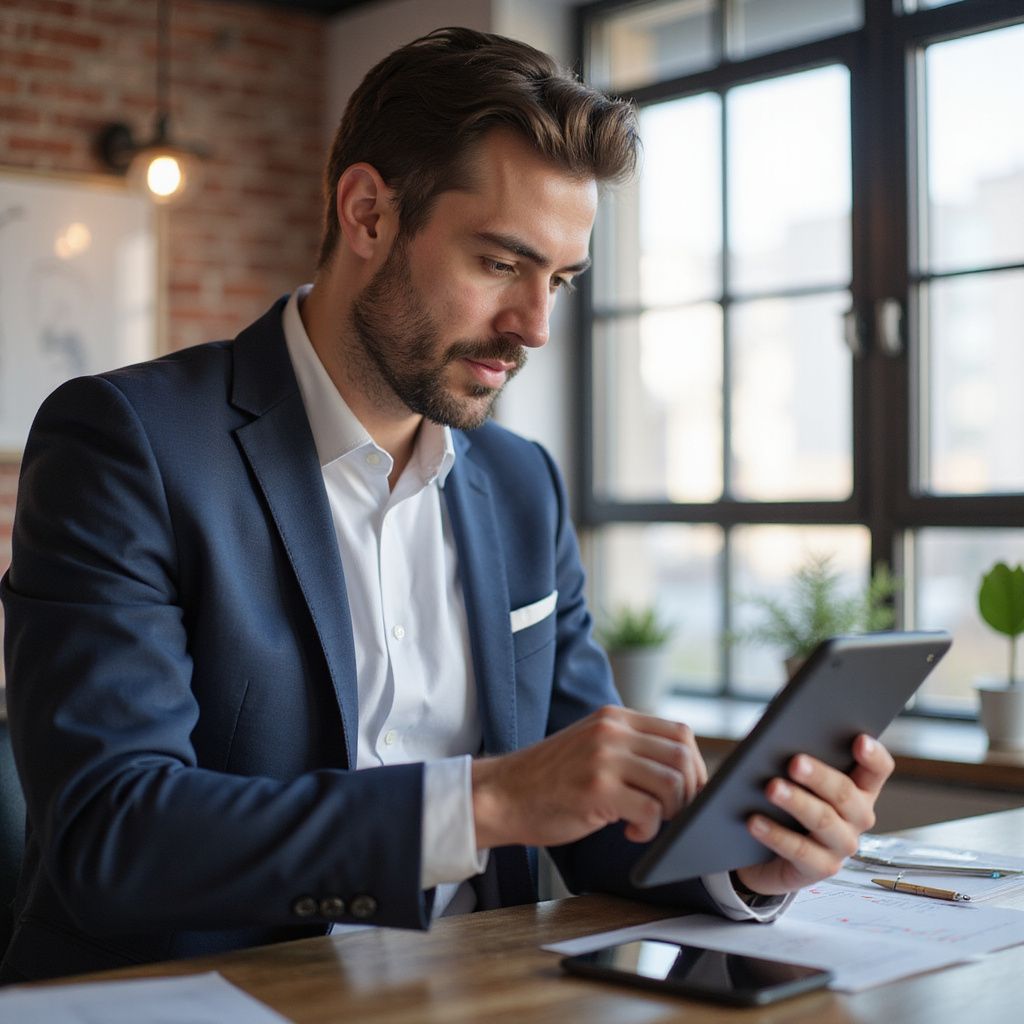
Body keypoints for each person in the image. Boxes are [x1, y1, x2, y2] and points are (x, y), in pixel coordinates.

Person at [0, 28, 893, 984]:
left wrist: (747, 864)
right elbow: (112, 838)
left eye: (559, 279)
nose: (536, 327)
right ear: (369, 214)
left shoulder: (520, 486)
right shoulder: (125, 441)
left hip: (487, 997)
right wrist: (485, 803)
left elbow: (599, 825)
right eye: (503, 263)